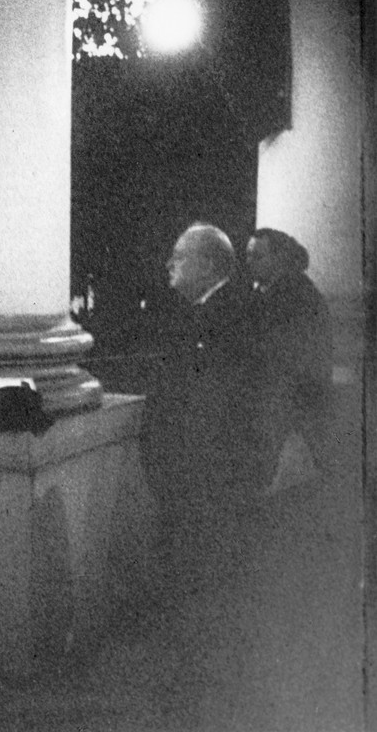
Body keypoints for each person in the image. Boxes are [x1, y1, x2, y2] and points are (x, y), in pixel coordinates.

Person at [142, 223, 259, 538]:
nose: (169, 265)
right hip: (203, 487)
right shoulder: (218, 312)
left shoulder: (224, 319)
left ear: (207, 266)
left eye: (178, 257)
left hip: (201, 489)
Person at [245, 228, 333, 488]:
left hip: (285, 410)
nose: (249, 262)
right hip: (290, 407)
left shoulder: (290, 298)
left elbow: (279, 357)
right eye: (248, 255)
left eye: (257, 256)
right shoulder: (288, 291)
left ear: (280, 258)